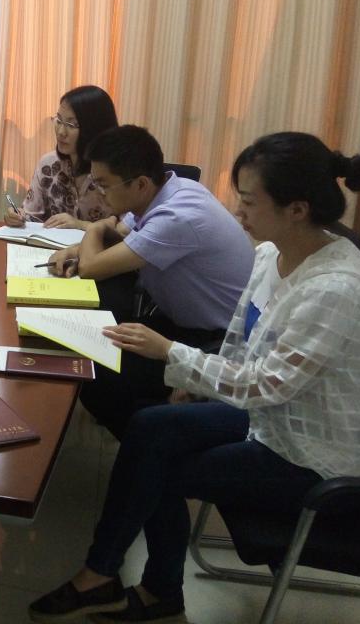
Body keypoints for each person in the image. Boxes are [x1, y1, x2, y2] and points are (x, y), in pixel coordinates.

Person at [28, 132, 360, 623]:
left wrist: (173, 354)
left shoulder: (335, 288)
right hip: (267, 419)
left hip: (308, 453)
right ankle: (120, 580)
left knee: (155, 467)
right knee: (148, 427)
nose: (238, 212)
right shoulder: (272, 254)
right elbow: (240, 339)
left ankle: (131, 583)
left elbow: (268, 385)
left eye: (249, 201)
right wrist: (194, 384)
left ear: (297, 209)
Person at [49, 125, 255, 438]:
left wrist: (93, 229)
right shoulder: (171, 190)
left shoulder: (176, 216)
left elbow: (92, 266)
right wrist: (77, 248)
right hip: (185, 322)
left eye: (104, 185)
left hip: (216, 344)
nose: (99, 192)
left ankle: (153, 437)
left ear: (141, 183)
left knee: (94, 371)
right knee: (101, 334)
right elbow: (121, 233)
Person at [4, 85, 118, 229]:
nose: (61, 132)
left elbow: (128, 229)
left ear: (94, 128)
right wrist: (17, 217)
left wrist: (81, 225)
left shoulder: (115, 171)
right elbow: (31, 216)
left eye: (72, 124)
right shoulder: (49, 165)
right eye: (59, 120)